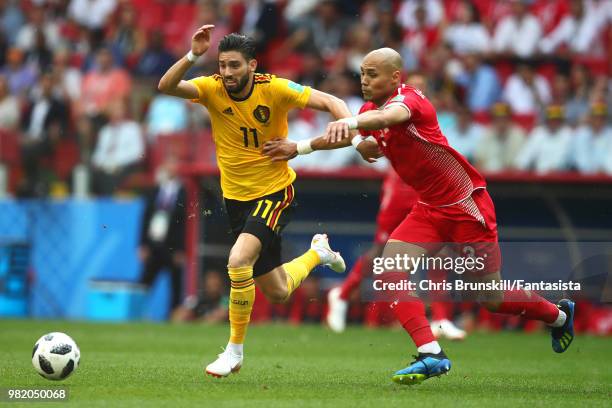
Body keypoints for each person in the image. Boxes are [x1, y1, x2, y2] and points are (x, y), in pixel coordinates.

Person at [262, 47, 575, 385]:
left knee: (492, 298)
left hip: (466, 206)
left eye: (372, 74)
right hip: (429, 209)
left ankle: (558, 316)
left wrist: (351, 124)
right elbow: (355, 133)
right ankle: (431, 353)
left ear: (395, 77)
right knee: (388, 270)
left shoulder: (410, 101)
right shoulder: (368, 110)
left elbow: (385, 120)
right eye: (363, 74)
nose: (364, 81)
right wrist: (301, 147)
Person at [157, 26, 350, 378]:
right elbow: (167, 87)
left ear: (252, 66)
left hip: (275, 192)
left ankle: (233, 351)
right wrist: (192, 56)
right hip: (236, 200)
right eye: (223, 65)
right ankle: (317, 253)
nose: (227, 73)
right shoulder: (212, 88)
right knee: (277, 291)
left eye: (234, 66)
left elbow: (330, 101)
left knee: (238, 259)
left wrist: (346, 122)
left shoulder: (273, 88)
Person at [138, 155, 187, 318]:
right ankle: (136, 314)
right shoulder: (156, 190)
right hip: (154, 245)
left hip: (173, 248)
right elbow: (145, 218)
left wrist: (182, 249)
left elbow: (186, 224)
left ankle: (173, 317)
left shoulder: (184, 192)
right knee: (144, 283)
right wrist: (142, 244)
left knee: (175, 286)